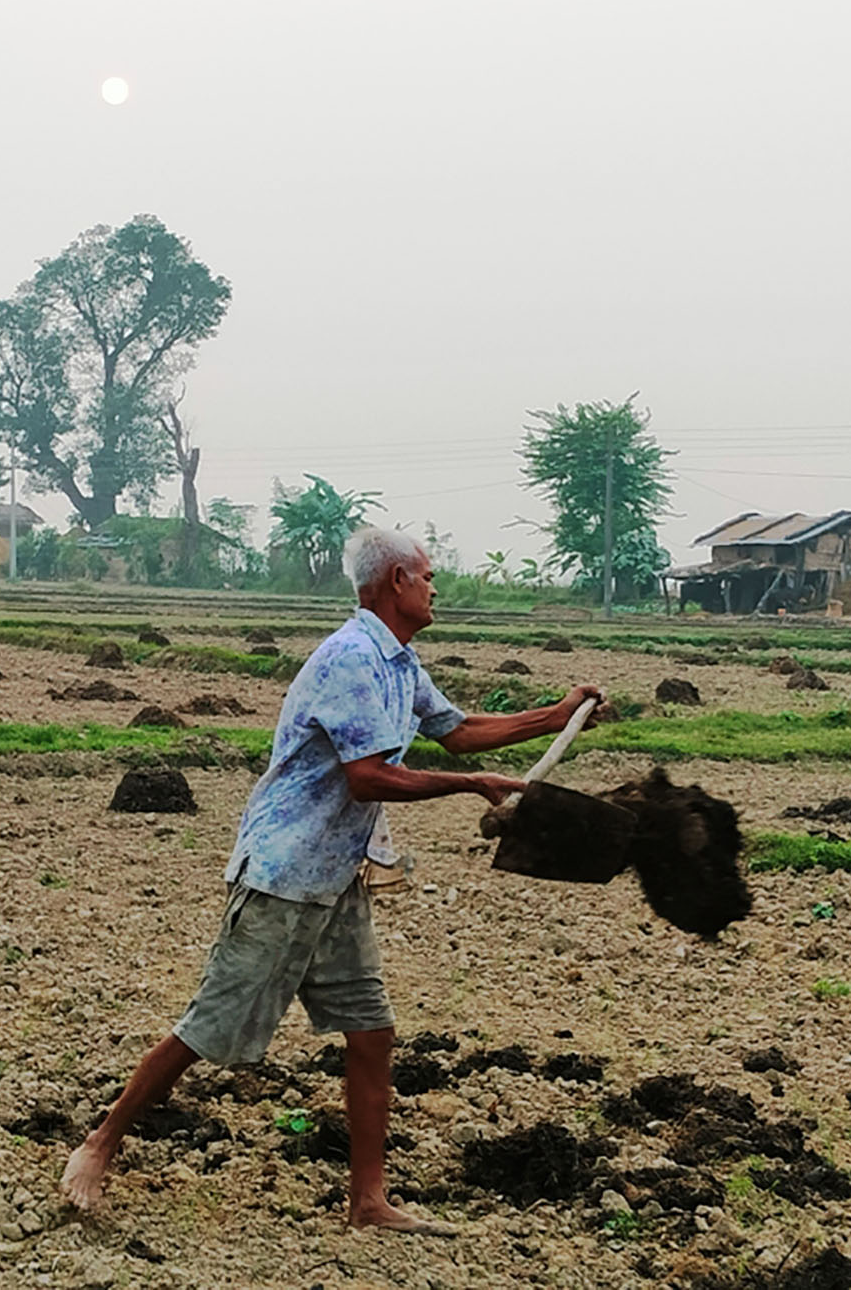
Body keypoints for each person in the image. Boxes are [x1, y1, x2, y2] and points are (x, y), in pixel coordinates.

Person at [61, 528, 601, 1233]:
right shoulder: (351, 659)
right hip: (286, 872)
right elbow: (369, 775)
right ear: (397, 581)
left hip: (339, 876)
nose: (436, 587)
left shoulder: (399, 661)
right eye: (429, 576)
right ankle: (99, 1144)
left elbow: (457, 728)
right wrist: (472, 787)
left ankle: (368, 1202)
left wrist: (557, 714)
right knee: (209, 1028)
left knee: (372, 1030)